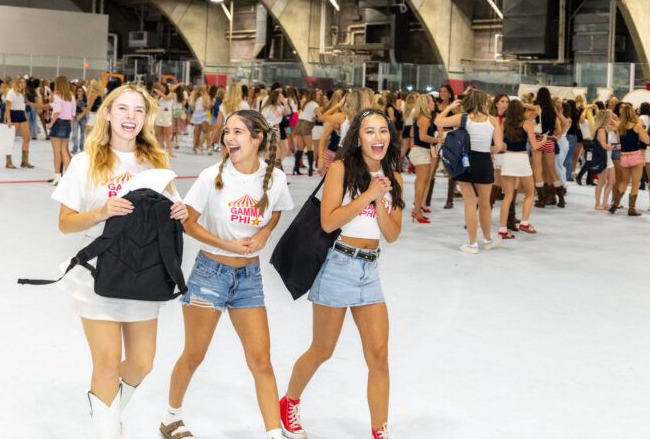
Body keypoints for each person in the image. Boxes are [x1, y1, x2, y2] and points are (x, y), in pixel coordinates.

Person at [52, 84, 185, 437]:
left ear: (146, 117)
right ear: (107, 113)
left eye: (138, 110)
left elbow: (170, 211)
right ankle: (107, 427)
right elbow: (65, 224)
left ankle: (103, 408)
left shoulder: (157, 162)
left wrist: (180, 211)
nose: (130, 117)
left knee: (142, 363)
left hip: (142, 273)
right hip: (97, 274)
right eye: (123, 109)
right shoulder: (85, 162)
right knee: (107, 363)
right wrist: (101, 212)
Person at [162, 110, 294, 439]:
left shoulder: (275, 178)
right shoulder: (211, 176)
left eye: (237, 132)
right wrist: (226, 245)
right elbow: (188, 223)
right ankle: (171, 418)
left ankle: (273, 434)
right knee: (194, 354)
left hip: (249, 279)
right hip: (210, 275)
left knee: (261, 360)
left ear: (257, 138)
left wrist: (263, 235)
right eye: (226, 132)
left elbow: (276, 210)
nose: (229, 138)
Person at [280, 108, 403, 439]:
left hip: (370, 270)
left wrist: (381, 201)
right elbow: (328, 222)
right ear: (357, 137)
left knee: (379, 357)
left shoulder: (395, 177)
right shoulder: (341, 169)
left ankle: (380, 430)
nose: (377, 138)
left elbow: (391, 235)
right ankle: (289, 401)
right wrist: (369, 194)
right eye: (369, 131)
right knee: (322, 349)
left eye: (382, 131)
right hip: (337, 266)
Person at [435, 89, 504, 254]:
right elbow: (499, 146)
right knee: (485, 203)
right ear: (485, 102)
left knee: (470, 203)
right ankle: (487, 240)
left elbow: (438, 121)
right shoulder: (493, 120)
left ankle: (472, 244)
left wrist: (450, 106)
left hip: (465, 162)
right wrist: (489, 151)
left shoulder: (463, 118)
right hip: (485, 162)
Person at [498, 99, 545, 236]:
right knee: (530, 193)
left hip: (507, 159)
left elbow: (500, 145)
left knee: (507, 196)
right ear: (521, 110)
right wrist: (543, 139)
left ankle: (502, 229)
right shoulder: (527, 124)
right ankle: (524, 222)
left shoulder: (504, 124)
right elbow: (535, 146)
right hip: (522, 159)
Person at [609, 103, 650, 216]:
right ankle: (631, 209)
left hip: (624, 156)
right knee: (635, 184)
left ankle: (614, 205)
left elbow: (619, 141)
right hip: (635, 155)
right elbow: (647, 141)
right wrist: (643, 130)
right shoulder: (636, 126)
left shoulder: (620, 127)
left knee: (624, 182)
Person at [407, 92, 440, 224]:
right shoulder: (425, 118)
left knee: (421, 182)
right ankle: (416, 211)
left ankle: (417, 209)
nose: (434, 103)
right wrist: (438, 140)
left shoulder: (419, 117)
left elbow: (411, 133)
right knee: (422, 182)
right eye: (432, 102)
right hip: (421, 152)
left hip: (419, 151)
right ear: (426, 104)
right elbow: (423, 137)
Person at [48, 76, 76, 186]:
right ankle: (68, 178)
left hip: (58, 123)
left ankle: (57, 177)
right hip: (67, 123)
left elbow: (57, 111)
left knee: (56, 152)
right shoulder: (71, 96)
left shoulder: (57, 95)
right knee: (64, 150)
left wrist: (50, 123)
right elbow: (73, 114)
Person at [4, 76, 33, 169]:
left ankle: (24, 161)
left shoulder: (23, 93)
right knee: (10, 139)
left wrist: (25, 118)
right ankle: (8, 162)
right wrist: (8, 120)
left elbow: (23, 106)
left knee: (27, 137)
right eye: (21, 82)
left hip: (21, 115)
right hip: (13, 115)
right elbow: (7, 107)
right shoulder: (11, 92)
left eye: (24, 82)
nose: (23, 84)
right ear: (17, 83)